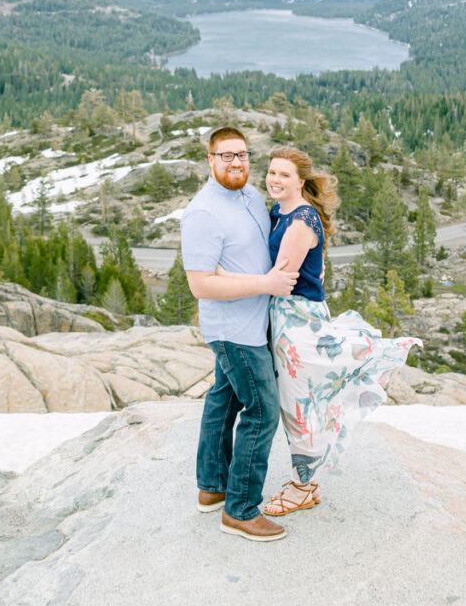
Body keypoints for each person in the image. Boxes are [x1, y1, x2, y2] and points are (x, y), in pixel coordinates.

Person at [260, 145, 422, 516]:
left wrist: (221, 279)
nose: (275, 180)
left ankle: (303, 486)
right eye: (272, 172)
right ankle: (306, 481)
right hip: (288, 317)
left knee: (299, 402)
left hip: (296, 320)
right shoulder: (280, 211)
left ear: (300, 181)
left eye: (284, 175)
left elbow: (280, 280)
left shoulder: (300, 220)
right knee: (296, 400)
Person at [180, 127, 298, 543]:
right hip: (235, 331)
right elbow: (201, 285)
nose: (236, 163)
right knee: (262, 411)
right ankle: (241, 510)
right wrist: (264, 284)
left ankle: (212, 487)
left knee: (223, 399)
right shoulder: (202, 214)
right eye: (225, 156)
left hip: (254, 320)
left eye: (242, 155)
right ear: (210, 160)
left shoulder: (248, 195)